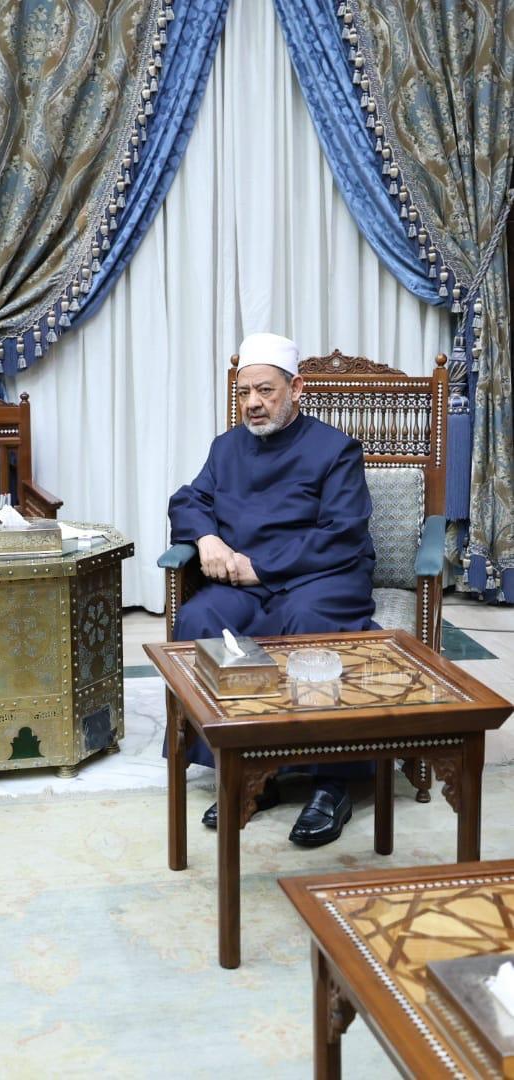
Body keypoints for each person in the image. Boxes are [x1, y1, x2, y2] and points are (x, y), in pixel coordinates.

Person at [168, 332, 377, 847]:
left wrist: (258, 568)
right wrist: (208, 537)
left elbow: (343, 534)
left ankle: (331, 781)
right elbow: (189, 499)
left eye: (265, 390)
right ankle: (250, 768)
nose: (253, 403)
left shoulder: (336, 449)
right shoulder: (226, 448)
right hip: (245, 580)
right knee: (200, 620)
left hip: (322, 576)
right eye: (244, 393)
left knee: (308, 626)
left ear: (296, 388)